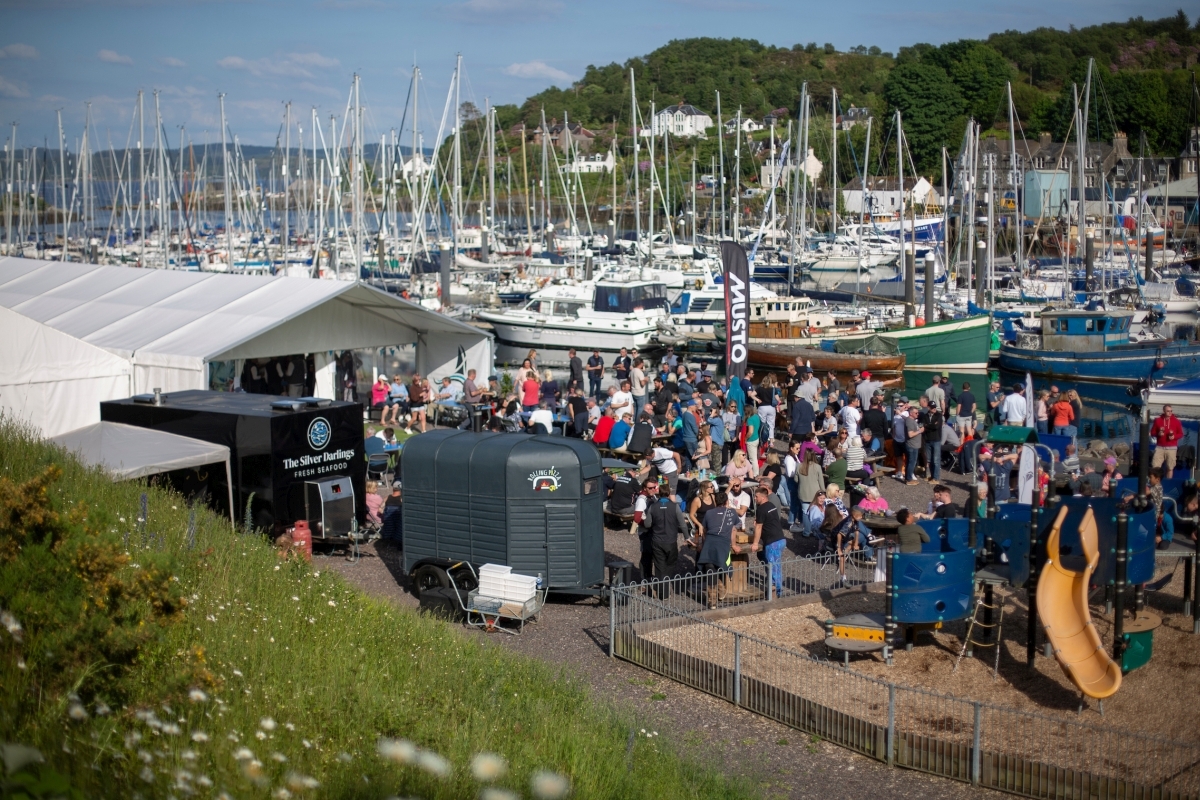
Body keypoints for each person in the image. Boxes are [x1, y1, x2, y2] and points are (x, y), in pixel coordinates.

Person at [697, 491, 740, 607]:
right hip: (723, 544)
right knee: (719, 566)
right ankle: (720, 590)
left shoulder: (709, 513)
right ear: (726, 501)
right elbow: (733, 530)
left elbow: (704, 531)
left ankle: (713, 601)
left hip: (710, 543)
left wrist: (702, 544)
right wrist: (734, 545)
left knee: (710, 568)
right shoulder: (732, 512)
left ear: (715, 501)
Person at [644, 483, 686, 592]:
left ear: (659, 494)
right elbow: (682, 523)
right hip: (671, 540)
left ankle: (662, 592)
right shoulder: (675, 506)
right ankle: (665, 579)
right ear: (669, 493)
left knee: (659, 566)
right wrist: (687, 537)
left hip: (657, 540)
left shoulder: (653, 507)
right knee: (671, 562)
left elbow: (647, 524)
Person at [752, 485, 786, 597]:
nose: (755, 499)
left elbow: (758, 527)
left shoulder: (761, 509)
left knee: (773, 567)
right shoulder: (771, 505)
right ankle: (776, 589)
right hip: (780, 539)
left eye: (756, 496)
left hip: (772, 542)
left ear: (762, 497)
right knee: (775, 565)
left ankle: (777, 593)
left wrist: (755, 543)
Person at [1151, 404, 1184, 480]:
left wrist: (1174, 437)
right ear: (1164, 411)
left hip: (1172, 448)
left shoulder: (1176, 421)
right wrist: (1158, 434)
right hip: (1160, 447)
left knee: (1170, 467)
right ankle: (1156, 484)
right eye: (1168, 411)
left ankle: (1168, 483)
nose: (1170, 413)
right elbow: (1152, 432)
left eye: (1171, 411)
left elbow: (1181, 434)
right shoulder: (1158, 421)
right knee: (1155, 467)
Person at [797, 449, 825, 536]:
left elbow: (795, 479)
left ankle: (806, 532)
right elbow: (821, 482)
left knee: (805, 513)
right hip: (815, 494)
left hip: (803, 493)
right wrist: (824, 492)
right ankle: (815, 531)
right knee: (816, 512)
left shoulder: (799, 466)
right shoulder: (817, 467)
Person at [918, 396, 944, 483]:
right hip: (928, 440)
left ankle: (936, 478)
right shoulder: (925, 416)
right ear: (928, 408)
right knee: (929, 460)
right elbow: (923, 425)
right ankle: (932, 476)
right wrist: (930, 425)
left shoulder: (939, 415)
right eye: (932, 408)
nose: (934, 409)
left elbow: (936, 426)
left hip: (936, 440)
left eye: (935, 407)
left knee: (936, 460)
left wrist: (928, 425)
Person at [904, 400, 924, 486]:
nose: (918, 414)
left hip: (914, 445)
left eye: (918, 413)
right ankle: (909, 479)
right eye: (916, 413)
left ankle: (909, 477)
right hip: (911, 446)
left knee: (911, 462)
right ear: (911, 413)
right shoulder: (909, 421)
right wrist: (920, 431)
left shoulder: (912, 421)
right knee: (911, 462)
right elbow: (910, 434)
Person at [744, 403, 762, 477]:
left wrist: (745, 438)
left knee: (752, 459)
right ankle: (754, 472)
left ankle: (755, 474)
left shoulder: (750, 419)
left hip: (751, 440)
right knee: (754, 457)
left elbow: (750, 431)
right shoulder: (756, 416)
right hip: (757, 438)